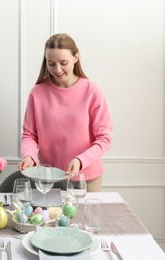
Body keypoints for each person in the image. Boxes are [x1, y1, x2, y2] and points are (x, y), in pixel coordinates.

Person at [17, 33, 113, 192]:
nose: (57, 70)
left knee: (85, 218)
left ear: (76, 58)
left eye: (63, 63)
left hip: (86, 179)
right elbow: (29, 135)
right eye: (51, 64)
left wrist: (80, 160)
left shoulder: (92, 91)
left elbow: (104, 138)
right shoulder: (37, 93)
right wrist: (29, 156)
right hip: (49, 179)